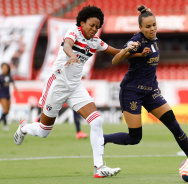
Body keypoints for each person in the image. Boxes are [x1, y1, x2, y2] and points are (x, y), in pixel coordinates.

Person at [14, 5, 125, 178]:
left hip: (75, 87)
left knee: (96, 122)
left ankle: (99, 167)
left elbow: (115, 52)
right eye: (91, 25)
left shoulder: (95, 41)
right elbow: (67, 45)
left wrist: (135, 52)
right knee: (44, 131)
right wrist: (71, 54)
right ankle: (24, 128)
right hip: (57, 84)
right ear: (82, 22)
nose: (94, 29)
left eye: (97, 27)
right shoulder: (74, 31)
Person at [103, 5, 188, 173]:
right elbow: (115, 61)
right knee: (134, 138)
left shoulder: (154, 39)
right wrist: (127, 50)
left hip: (151, 92)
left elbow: (149, 67)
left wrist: (155, 83)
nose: (152, 28)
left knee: (175, 127)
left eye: (154, 24)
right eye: (148, 26)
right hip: (132, 92)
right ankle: (102, 139)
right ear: (140, 28)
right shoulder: (136, 41)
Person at [0, 63, 21, 131]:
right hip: (2, 95)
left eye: (5, 68)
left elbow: (14, 85)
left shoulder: (9, 76)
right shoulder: (0, 77)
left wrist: (19, 93)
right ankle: (5, 125)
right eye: (3, 68)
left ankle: (5, 125)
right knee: (5, 110)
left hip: (8, 95)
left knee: (7, 111)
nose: (4, 69)